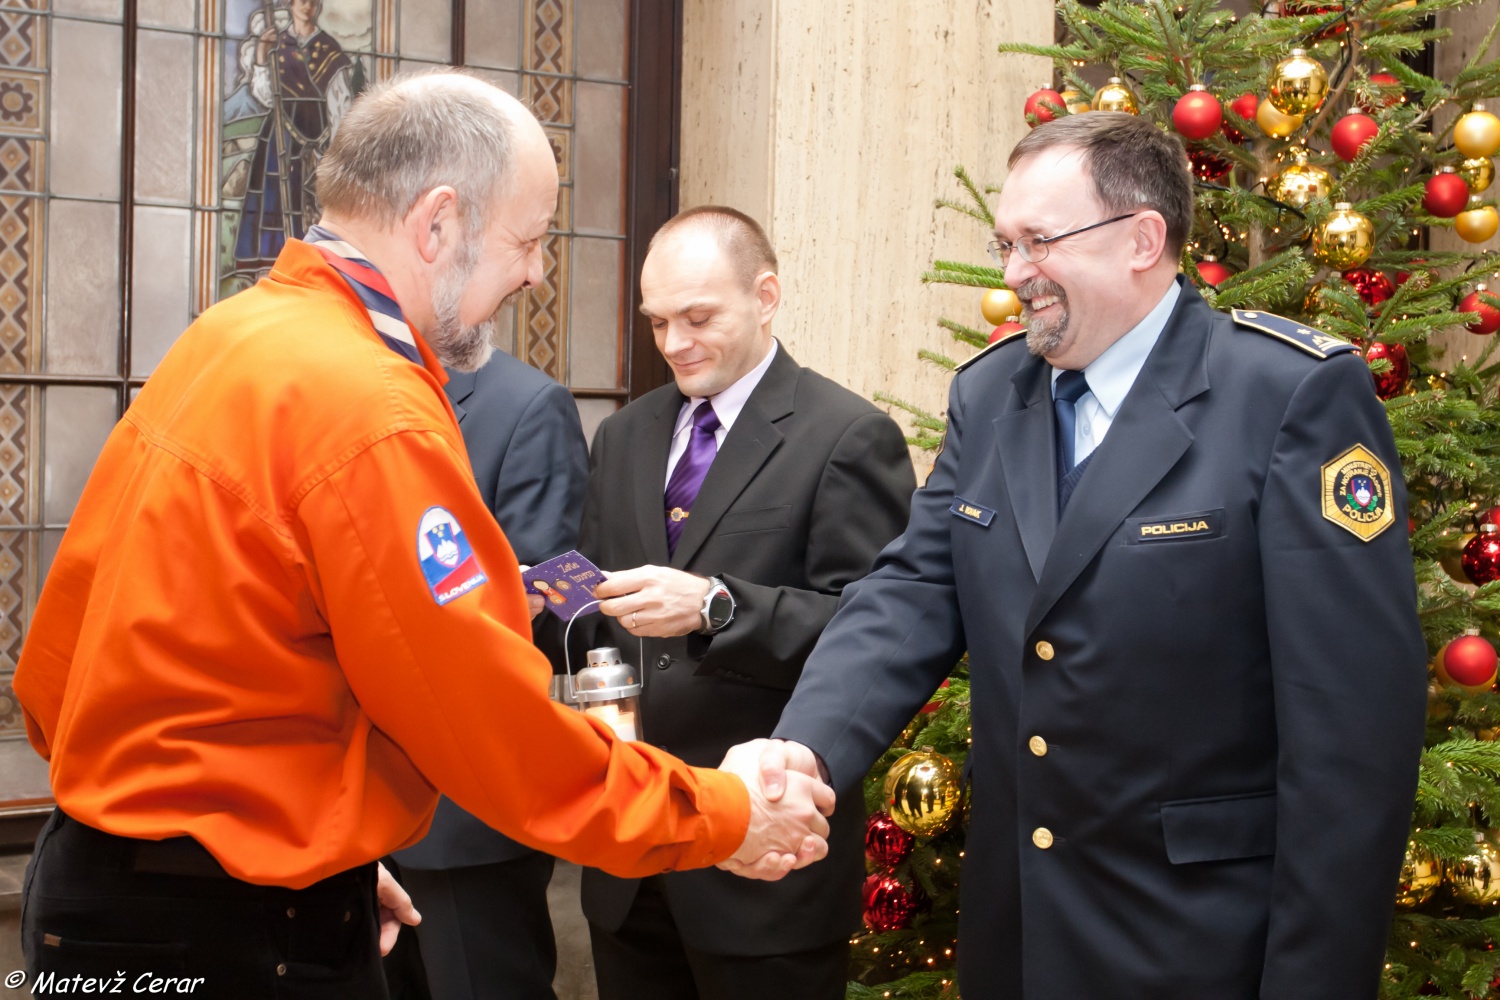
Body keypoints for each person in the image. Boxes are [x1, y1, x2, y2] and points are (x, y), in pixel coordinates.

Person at [14, 72, 833, 997]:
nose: (532, 274)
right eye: (525, 241)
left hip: (103, 879)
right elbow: (485, 721)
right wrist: (717, 812)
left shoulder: (230, 335)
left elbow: (60, 665)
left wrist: (326, 839)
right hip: (222, 926)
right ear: (438, 224)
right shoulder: (368, 403)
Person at [750, 112, 1429, 999]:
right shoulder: (992, 395)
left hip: (1204, 945)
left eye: (1038, 241)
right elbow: (913, 590)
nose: (1013, 273)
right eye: (1004, 244)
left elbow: (1351, 731)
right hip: (1022, 937)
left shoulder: (1287, 396)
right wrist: (804, 748)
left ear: (1143, 238)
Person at [573, 206, 917, 1000]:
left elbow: (874, 628)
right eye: (658, 322)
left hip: (766, 869)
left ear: (766, 296)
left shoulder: (846, 435)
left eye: (699, 317)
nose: (675, 344)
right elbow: (596, 605)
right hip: (631, 857)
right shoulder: (623, 435)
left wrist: (718, 607)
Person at [391, 349, 590, 1000]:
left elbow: (536, 613)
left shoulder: (529, 406)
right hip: (356, 807)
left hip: (464, 814)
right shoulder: (357, 392)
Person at [232, 0, 355, 279]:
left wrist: (334, 155)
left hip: (316, 143)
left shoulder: (329, 50)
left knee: (311, 210)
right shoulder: (277, 44)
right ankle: (272, 274)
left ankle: (308, 273)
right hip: (279, 139)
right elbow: (264, 95)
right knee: (274, 204)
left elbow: (340, 107)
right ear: (290, 4)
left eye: (313, 0)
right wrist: (262, 56)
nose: (307, 5)